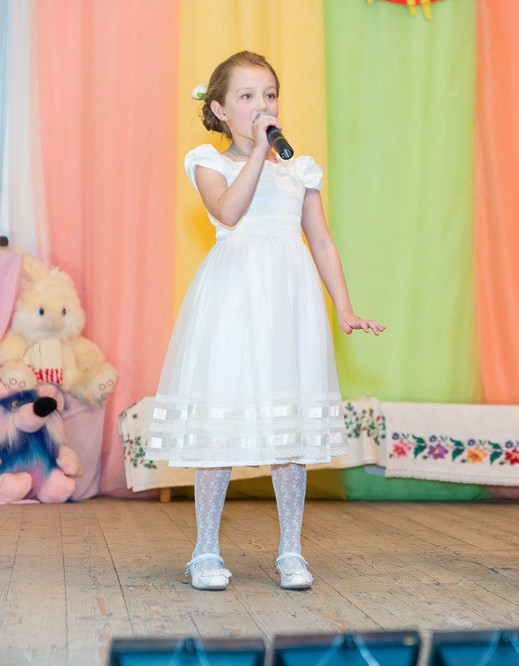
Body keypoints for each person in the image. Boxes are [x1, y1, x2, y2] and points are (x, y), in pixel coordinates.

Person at [146, 51, 384, 591]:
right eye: (247, 97)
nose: (261, 106)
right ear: (220, 109)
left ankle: (292, 551)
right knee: (222, 418)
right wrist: (257, 152)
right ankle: (205, 550)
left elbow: (320, 241)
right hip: (232, 298)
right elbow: (228, 212)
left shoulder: (300, 169)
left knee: (289, 425)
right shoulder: (208, 160)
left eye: (270, 95)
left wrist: (343, 306)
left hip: (289, 300)